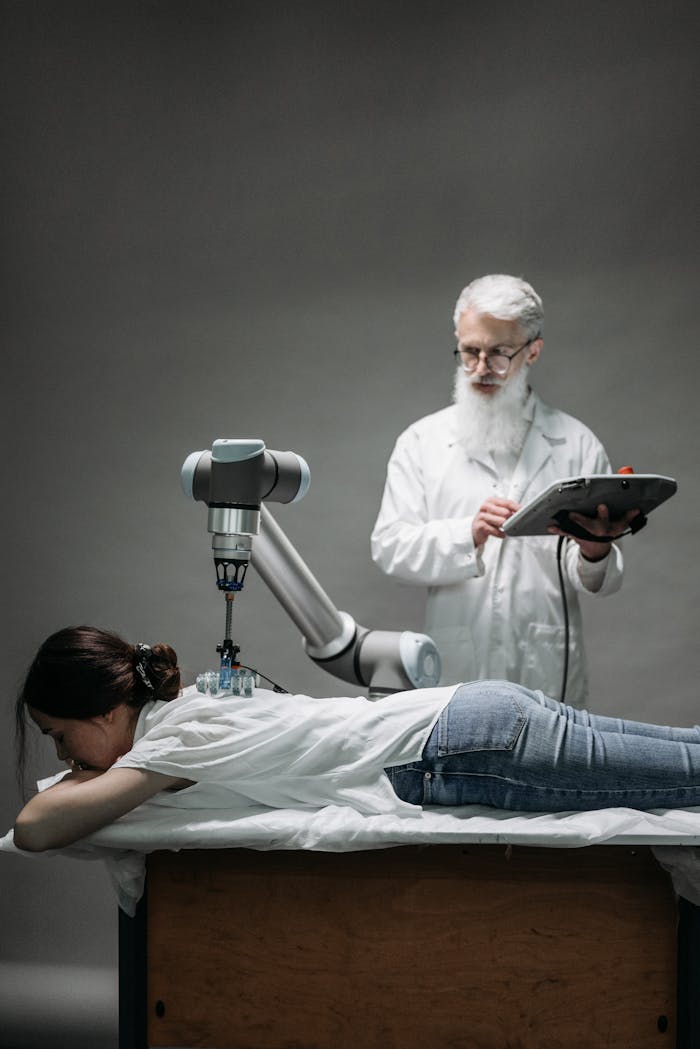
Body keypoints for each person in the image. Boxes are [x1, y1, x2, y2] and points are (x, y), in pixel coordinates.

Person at [12, 626, 700, 853]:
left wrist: (81, 780)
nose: (64, 758)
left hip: (465, 751)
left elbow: (36, 828)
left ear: (103, 711)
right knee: (686, 757)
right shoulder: (193, 704)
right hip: (478, 716)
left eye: (61, 736)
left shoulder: (176, 737)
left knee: (689, 772)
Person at [371, 274, 639, 706]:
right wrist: (467, 534)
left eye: (498, 353)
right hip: (455, 669)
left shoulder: (575, 443)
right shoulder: (422, 442)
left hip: (546, 668)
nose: (480, 369)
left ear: (532, 351)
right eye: (469, 352)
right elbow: (389, 548)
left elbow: (599, 582)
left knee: (548, 767)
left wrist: (595, 551)